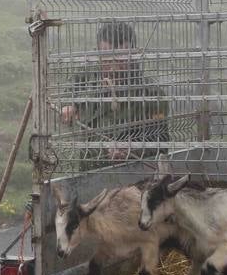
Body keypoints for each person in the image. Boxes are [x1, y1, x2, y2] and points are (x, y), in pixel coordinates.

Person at [59, 20, 170, 166]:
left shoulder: (152, 94)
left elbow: (161, 141)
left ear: (133, 53)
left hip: (134, 174)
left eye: (120, 56)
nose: (113, 64)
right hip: (90, 171)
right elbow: (67, 91)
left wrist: (133, 150)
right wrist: (68, 105)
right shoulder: (86, 78)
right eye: (106, 55)